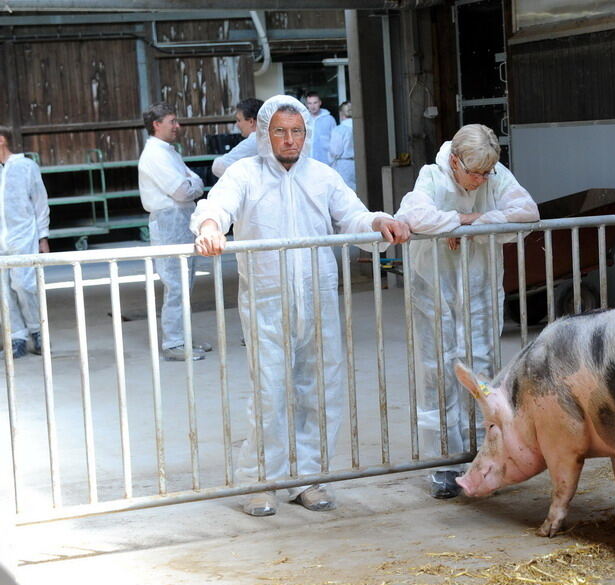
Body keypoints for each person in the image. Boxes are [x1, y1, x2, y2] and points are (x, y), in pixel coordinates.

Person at [192, 95, 409, 517]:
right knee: (269, 392)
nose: (289, 140)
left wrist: (380, 222)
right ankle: (263, 482)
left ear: (306, 134)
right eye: (280, 131)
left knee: (319, 390)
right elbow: (216, 207)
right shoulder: (244, 174)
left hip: (318, 299)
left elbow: (353, 216)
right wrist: (210, 226)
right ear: (263, 133)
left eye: (297, 132)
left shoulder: (322, 176)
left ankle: (310, 479)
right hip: (267, 300)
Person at [394, 124, 539, 499]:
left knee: (483, 367)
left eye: (485, 174)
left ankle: (485, 453)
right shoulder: (432, 176)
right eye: (473, 173)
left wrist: (468, 223)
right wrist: (458, 221)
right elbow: (416, 217)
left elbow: (526, 211)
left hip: (479, 287)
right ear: (455, 162)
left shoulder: (494, 174)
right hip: (435, 289)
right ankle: (441, 461)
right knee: (438, 367)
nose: (479, 181)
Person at [138, 102, 212, 362]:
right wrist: (193, 185)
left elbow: (193, 181)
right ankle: (172, 343)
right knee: (175, 285)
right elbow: (182, 190)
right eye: (172, 121)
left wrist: (193, 184)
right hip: (169, 220)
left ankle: (183, 338)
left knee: (185, 284)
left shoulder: (169, 152)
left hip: (181, 218)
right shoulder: (154, 155)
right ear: (157, 124)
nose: (177, 126)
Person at [0, 126, 49, 359]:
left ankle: (37, 330)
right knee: (3, 291)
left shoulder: (25, 166)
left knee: (23, 285)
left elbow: (40, 203)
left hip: (23, 235)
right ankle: (15, 337)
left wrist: (43, 236)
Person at [211, 97, 263, 178]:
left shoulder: (254, 140)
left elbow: (218, 166)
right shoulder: (270, 137)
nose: (237, 125)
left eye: (239, 120)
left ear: (251, 122)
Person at [328, 101, 356, 190]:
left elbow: (335, 151)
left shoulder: (339, 130)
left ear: (341, 113)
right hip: (360, 163)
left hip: (344, 165)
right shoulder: (361, 127)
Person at [304, 92, 335, 165]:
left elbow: (335, 141)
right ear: (306, 105)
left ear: (320, 103)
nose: (312, 106)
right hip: (307, 162)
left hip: (325, 163)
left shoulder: (329, 119)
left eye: (315, 103)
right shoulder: (304, 119)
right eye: (309, 103)